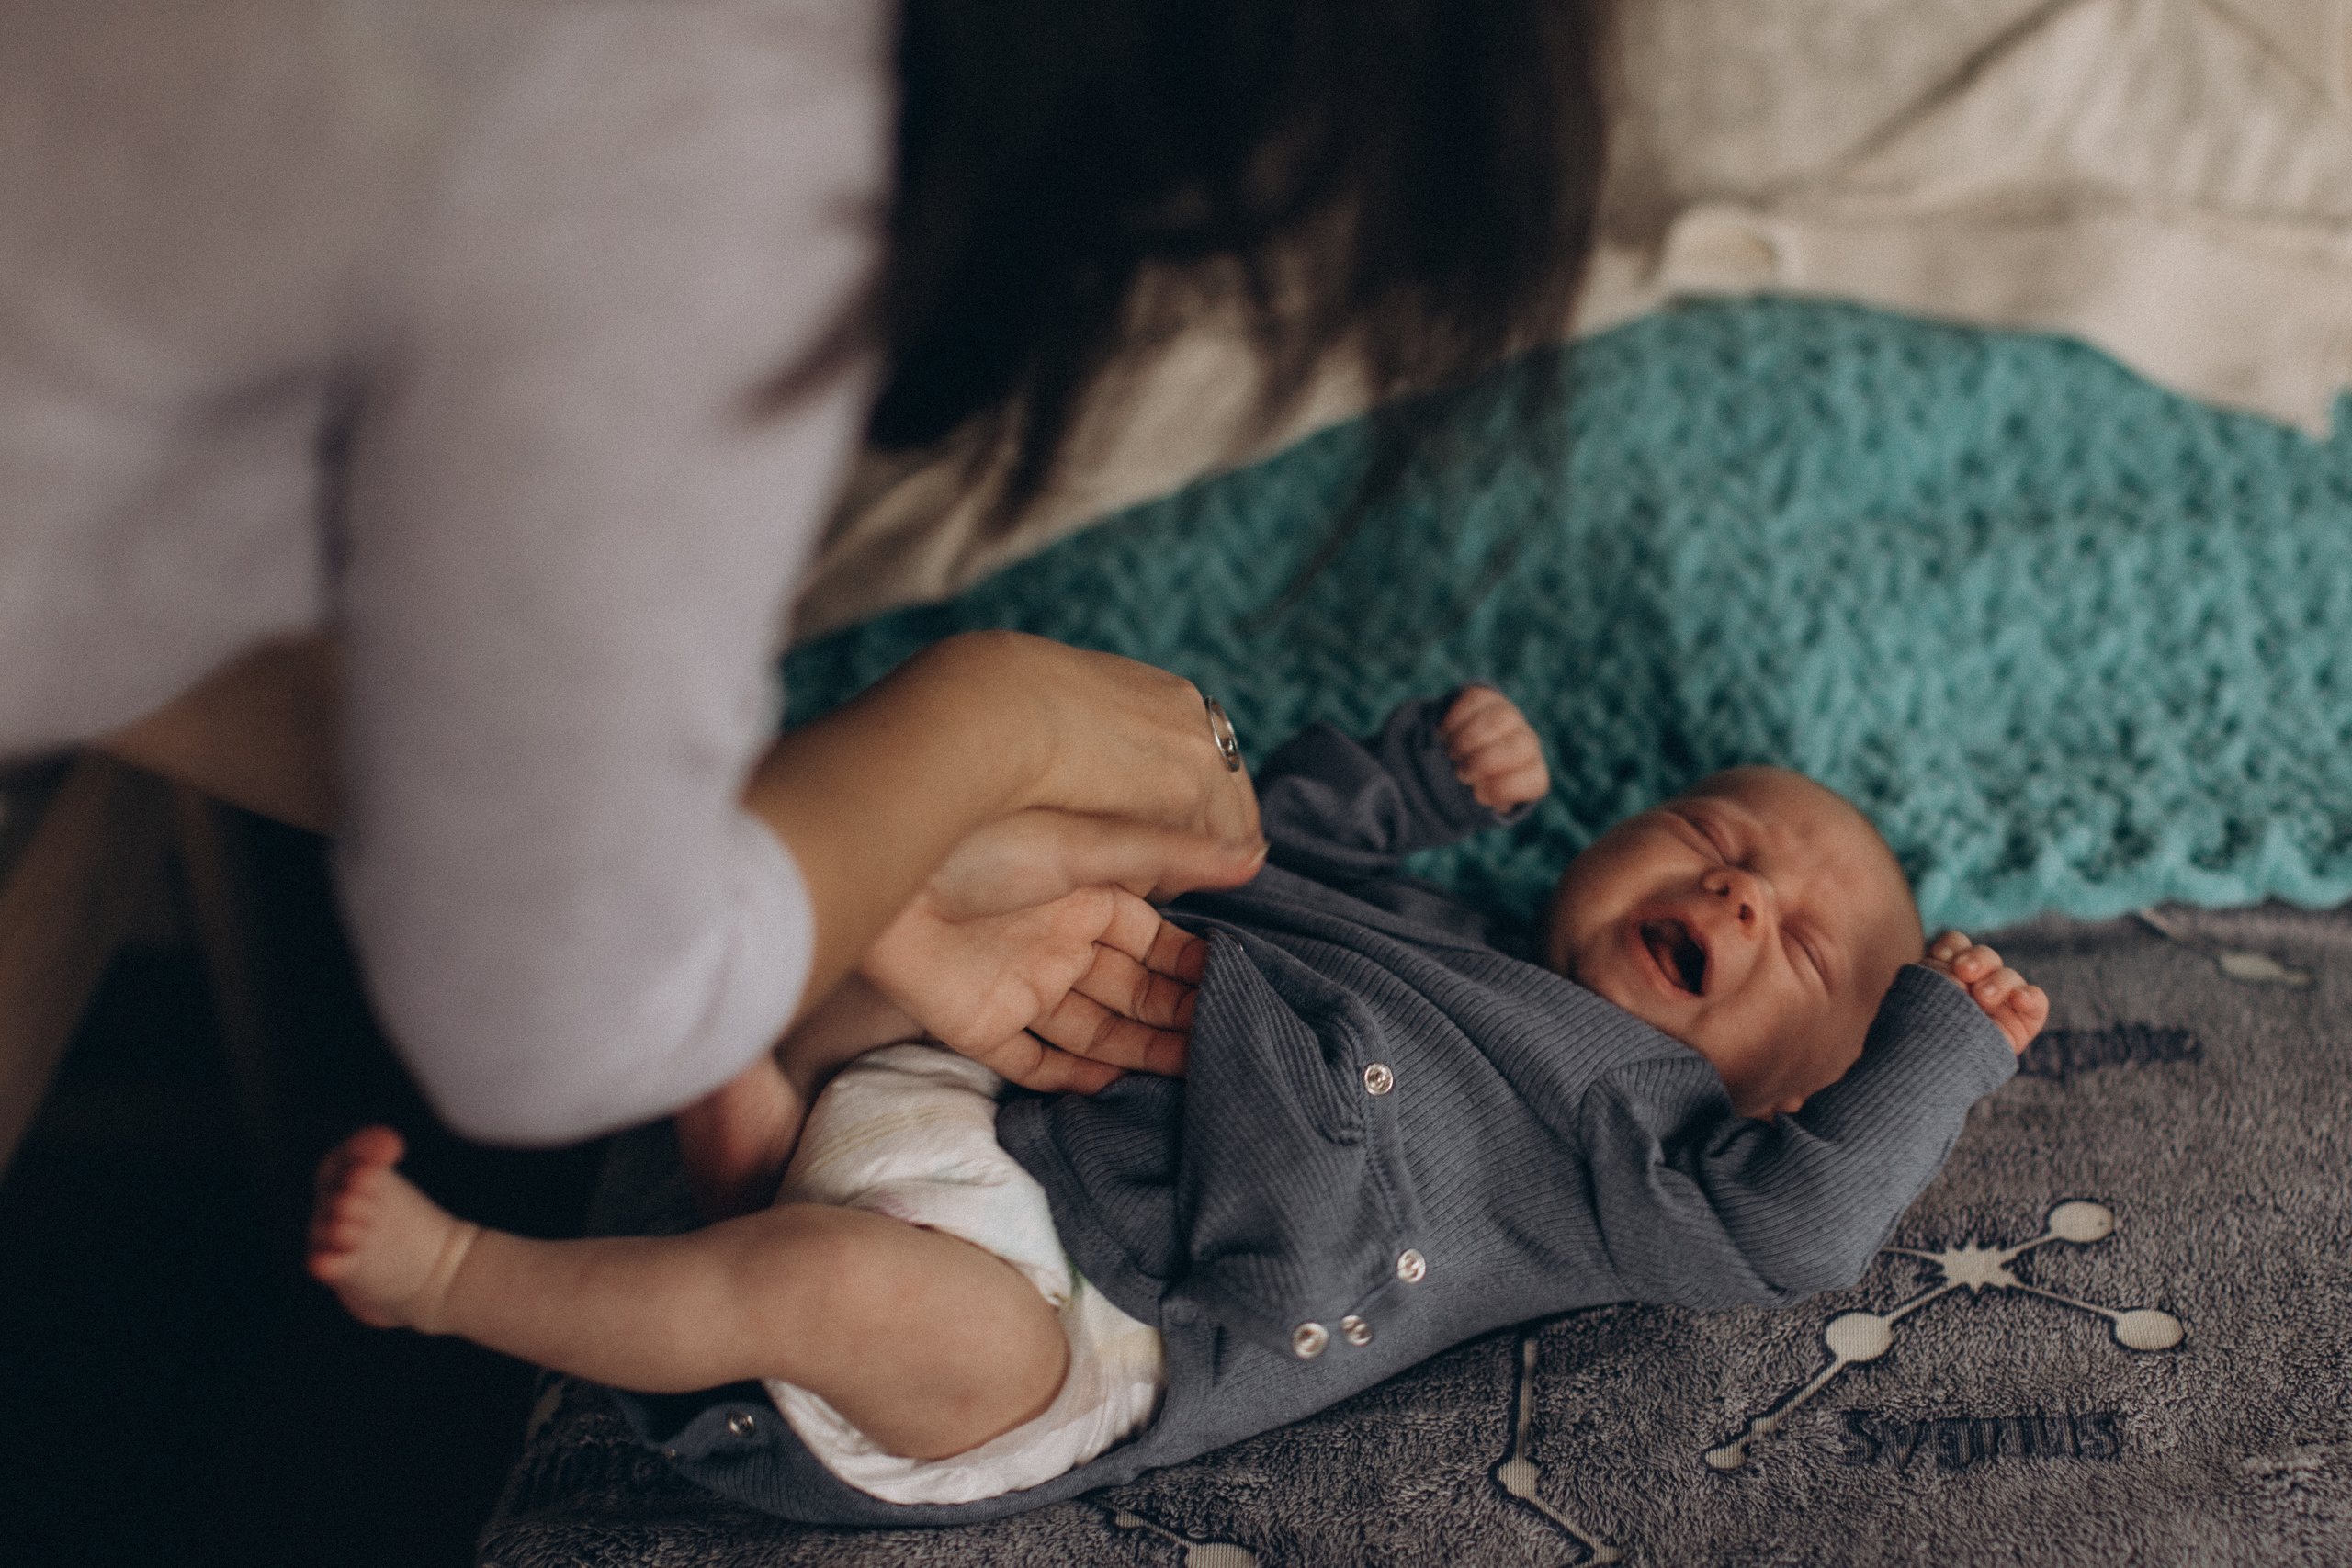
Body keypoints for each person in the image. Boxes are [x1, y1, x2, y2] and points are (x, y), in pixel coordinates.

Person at [3, 0, 1611, 1145]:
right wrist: (993, 724)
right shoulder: (709, 125)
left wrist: (837, 854)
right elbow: (559, 1025)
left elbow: (94, 530)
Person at [306, 686, 2049, 1523]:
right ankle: (726, 1040)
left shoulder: (1658, 1159)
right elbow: (1244, 838)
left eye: (1805, 945)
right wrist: (1412, 777)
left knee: (823, 1289)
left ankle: (455, 1279)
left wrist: (1934, 1054)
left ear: (1799, 1089)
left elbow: (1808, 1228)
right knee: (872, 934)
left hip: (1075, 1322)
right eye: (1721, 843)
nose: (1743, 899)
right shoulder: (1432, 925)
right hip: (960, 1089)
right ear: (1610, 844)